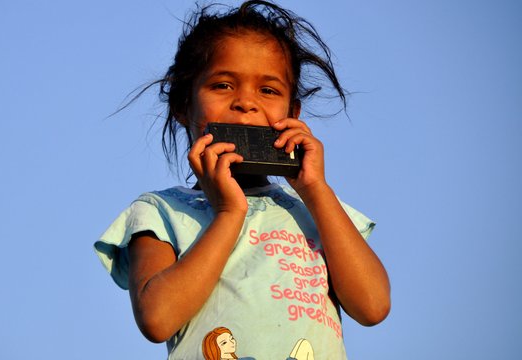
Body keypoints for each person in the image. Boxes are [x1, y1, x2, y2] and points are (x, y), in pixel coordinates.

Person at [94, 1, 390, 359]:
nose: (246, 103)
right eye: (222, 85)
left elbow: (372, 306)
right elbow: (157, 319)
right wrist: (229, 213)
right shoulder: (160, 212)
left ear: (293, 114)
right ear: (182, 105)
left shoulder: (318, 209)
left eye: (268, 91)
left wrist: (315, 189)